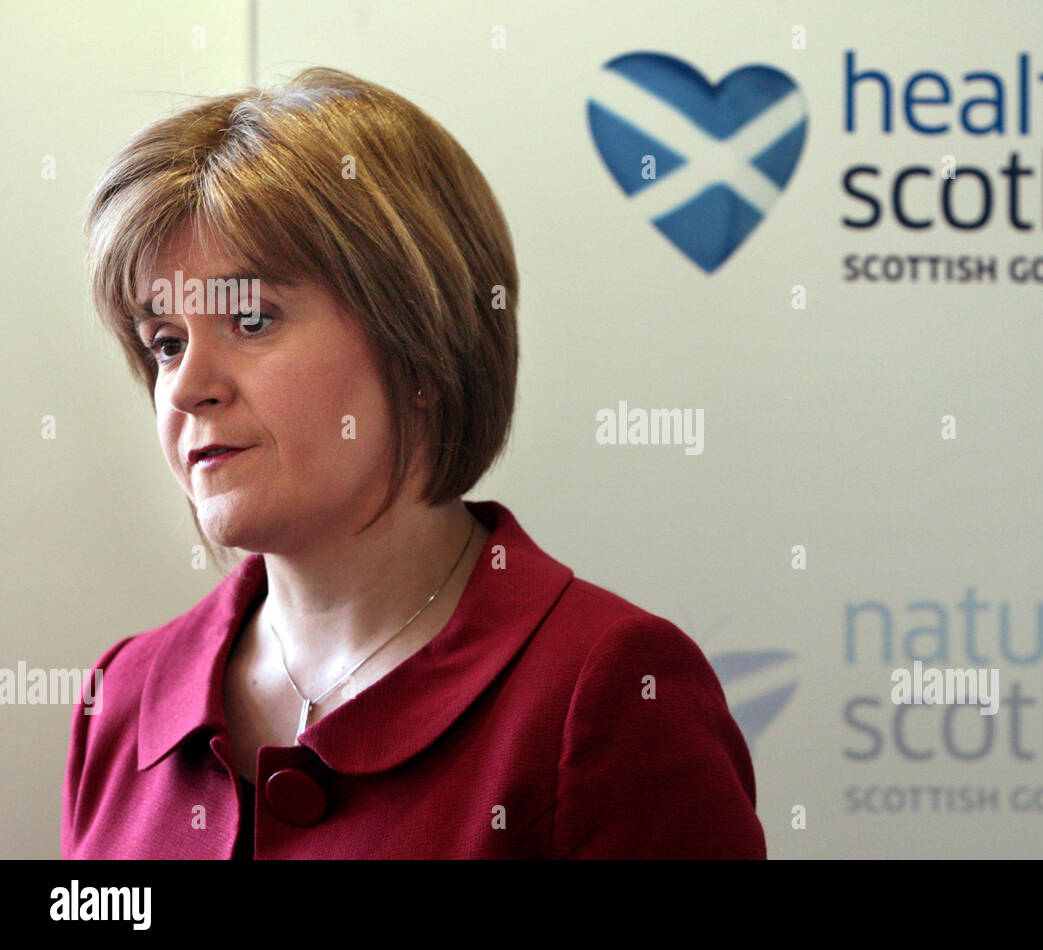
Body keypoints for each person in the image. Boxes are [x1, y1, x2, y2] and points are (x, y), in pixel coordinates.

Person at [62, 67, 765, 859]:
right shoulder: (121, 696)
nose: (187, 387)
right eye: (166, 342)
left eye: (252, 319)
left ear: (421, 344)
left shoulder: (606, 693)